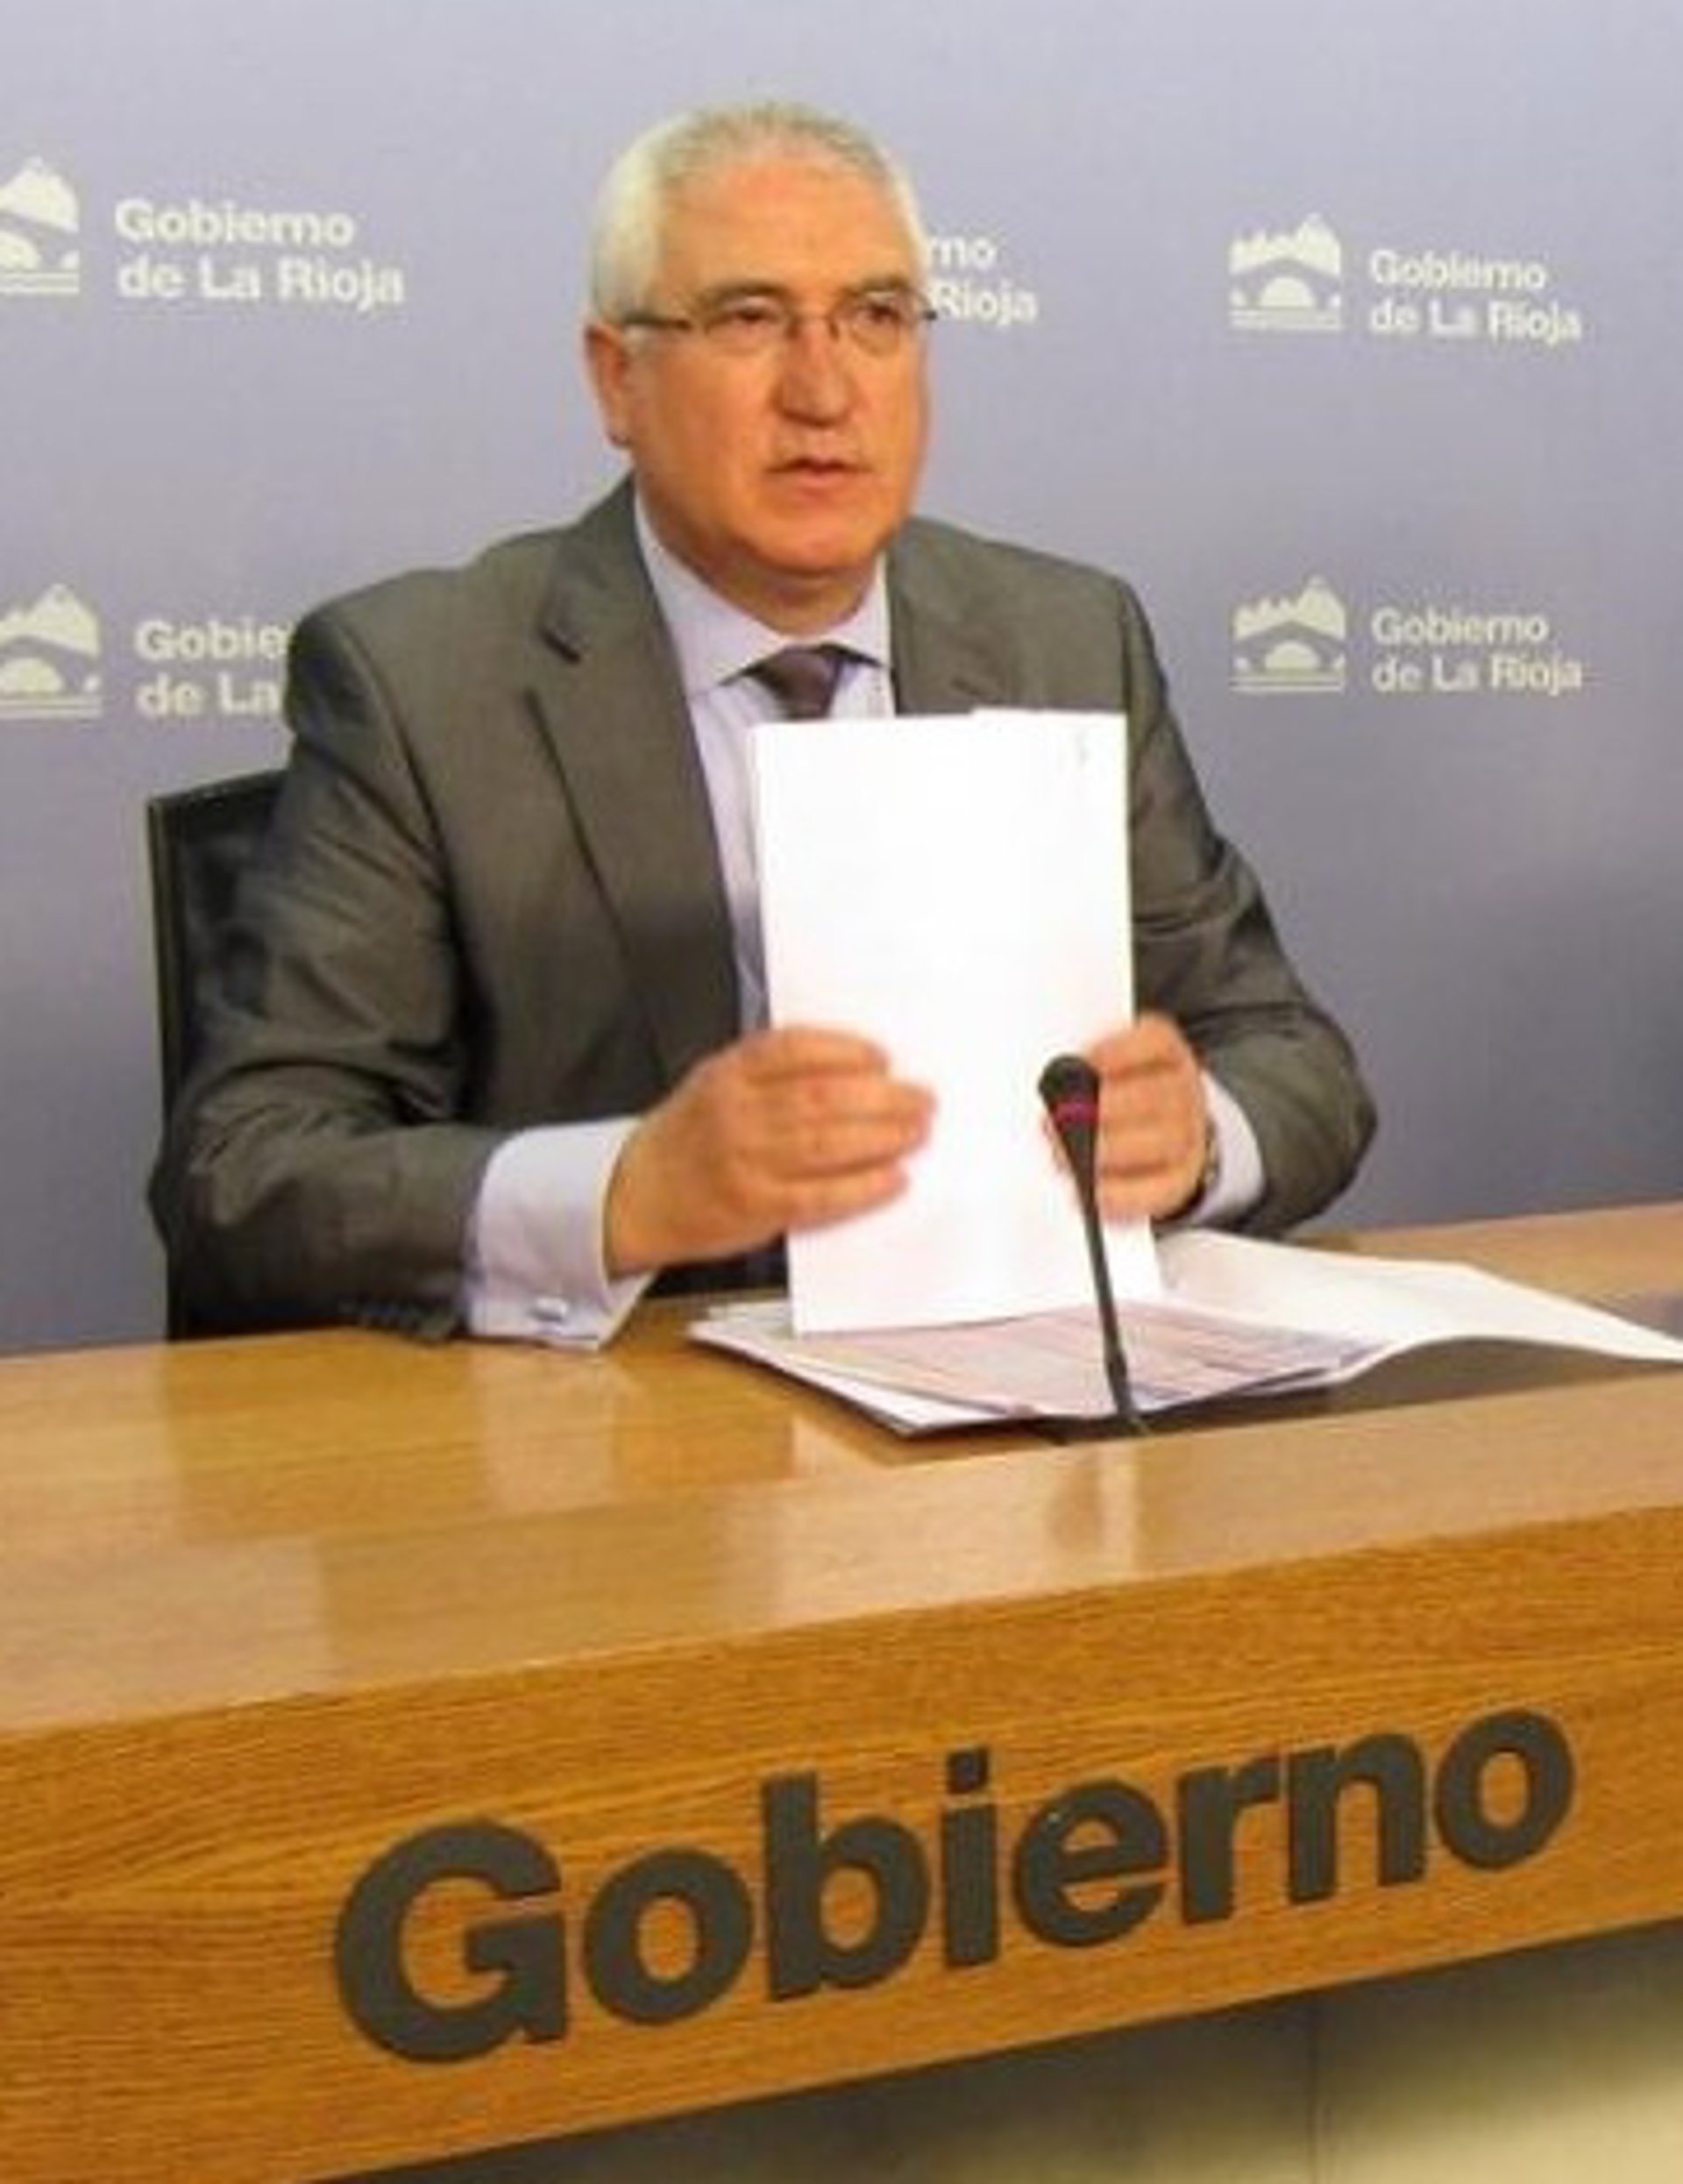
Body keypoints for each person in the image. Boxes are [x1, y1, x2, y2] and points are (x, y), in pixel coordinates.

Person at [150, 98, 1375, 1342]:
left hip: (1012, 1390)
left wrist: (1195, 1136)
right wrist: (624, 1192)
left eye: (877, 317)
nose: (824, 390)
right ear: (617, 377)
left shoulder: (1066, 637)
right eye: (749, 319)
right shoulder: (422, 683)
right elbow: (244, 1173)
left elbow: (1295, 1061)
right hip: (619, 1424)